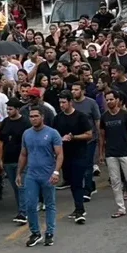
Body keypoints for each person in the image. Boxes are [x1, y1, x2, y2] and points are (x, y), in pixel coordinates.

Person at [17, 106, 63, 247]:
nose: (33, 119)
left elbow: (60, 154)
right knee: (30, 204)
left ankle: (49, 233)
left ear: (42, 117)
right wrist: (19, 173)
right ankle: (35, 233)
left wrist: (56, 172)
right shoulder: (26, 134)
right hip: (31, 175)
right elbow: (24, 154)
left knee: (49, 204)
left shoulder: (52, 133)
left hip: (47, 175)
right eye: (31, 116)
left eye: (36, 116)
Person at [53, 91, 92, 224]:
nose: (62, 105)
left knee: (77, 182)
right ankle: (78, 207)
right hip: (64, 156)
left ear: (71, 102)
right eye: (60, 102)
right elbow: (55, 136)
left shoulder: (81, 117)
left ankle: (80, 210)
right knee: (70, 181)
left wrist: (73, 137)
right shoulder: (58, 118)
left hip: (79, 154)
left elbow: (89, 134)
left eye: (64, 102)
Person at [100, 90, 127, 217]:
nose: (109, 102)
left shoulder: (125, 115)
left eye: (111, 99)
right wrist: (101, 154)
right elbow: (102, 136)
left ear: (117, 100)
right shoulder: (104, 117)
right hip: (111, 153)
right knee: (116, 182)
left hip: (126, 152)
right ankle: (120, 208)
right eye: (107, 100)